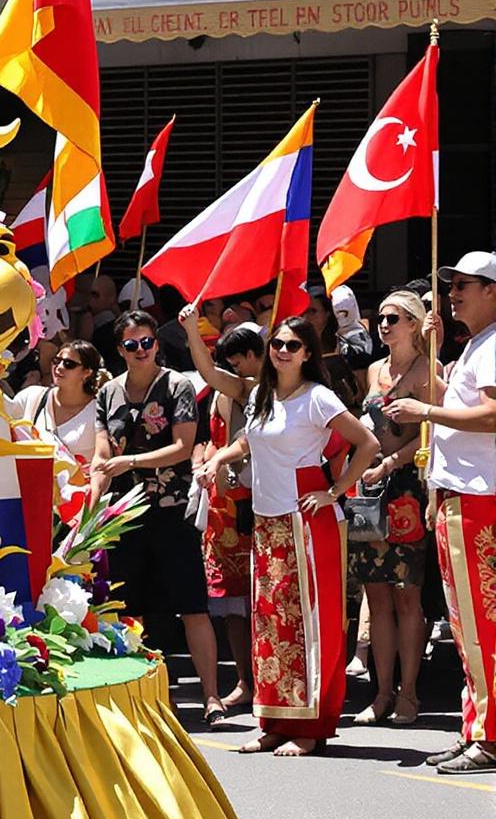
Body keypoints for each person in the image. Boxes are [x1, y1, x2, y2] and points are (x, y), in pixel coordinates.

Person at [194, 310, 378, 757]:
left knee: (307, 624)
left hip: (305, 518)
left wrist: (334, 491)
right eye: (276, 343)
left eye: (291, 345)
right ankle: (274, 720)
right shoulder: (262, 396)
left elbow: (367, 443)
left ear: (308, 353)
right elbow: (247, 438)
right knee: (270, 624)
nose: (281, 351)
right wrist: (219, 458)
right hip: (266, 519)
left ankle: (310, 726)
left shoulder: (318, 398)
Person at [389, 252, 496, 775]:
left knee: (482, 624)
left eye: (464, 286)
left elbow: (495, 414)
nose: (452, 293)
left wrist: (425, 411)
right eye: (450, 284)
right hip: (462, 496)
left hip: (483, 500)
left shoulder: (493, 344)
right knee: (465, 623)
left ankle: (490, 735)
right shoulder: (476, 343)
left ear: (492, 290)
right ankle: (475, 727)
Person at [93, 309, 216, 722]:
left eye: (147, 341)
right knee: (129, 607)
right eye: (131, 344)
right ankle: (143, 694)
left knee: (191, 605)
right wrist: (93, 504)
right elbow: (101, 454)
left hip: (170, 508)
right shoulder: (108, 392)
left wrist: (130, 462)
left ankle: (212, 697)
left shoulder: (177, 385)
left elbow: (183, 446)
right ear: (120, 350)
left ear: (156, 344)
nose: (141, 349)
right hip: (124, 513)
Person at [348, 289, 434, 726]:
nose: (384, 325)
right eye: (381, 317)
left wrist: (391, 463)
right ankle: (380, 692)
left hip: (406, 490)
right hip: (369, 489)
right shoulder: (375, 369)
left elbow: (433, 431)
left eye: (394, 318)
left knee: (407, 597)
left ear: (414, 323)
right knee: (375, 594)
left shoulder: (427, 368)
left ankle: (410, 692)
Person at [190, 322, 267, 721]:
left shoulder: (263, 388)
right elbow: (208, 436)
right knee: (233, 604)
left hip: (262, 501)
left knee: (263, 600)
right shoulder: (224, 391)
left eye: (238, 355)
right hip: (224, 506)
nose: (233, 365)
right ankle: (243, 679)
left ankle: (268, 680)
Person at [16, 336, 105, 500]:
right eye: (56, 361)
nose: (59, 367)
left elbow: (103, 467)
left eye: (69, 364)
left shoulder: (99, 413)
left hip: (76, 506)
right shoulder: (31, 397)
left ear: (87, 373)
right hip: (29, 498)